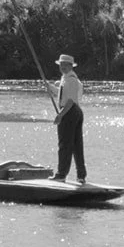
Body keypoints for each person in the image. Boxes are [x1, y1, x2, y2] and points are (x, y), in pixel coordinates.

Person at [51, 53, 87, 184]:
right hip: (74, 111)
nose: (63, 67)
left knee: (65, 144)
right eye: (61, 65)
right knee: (77, 145)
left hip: (70, 111)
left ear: (71, 66)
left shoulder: (71, 80)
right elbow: (63, 95)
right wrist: (50, 88)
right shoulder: (65, 78)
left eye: (66, 65)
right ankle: (81, 175)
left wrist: (60, 115)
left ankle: (61, 174)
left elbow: (70, 101)